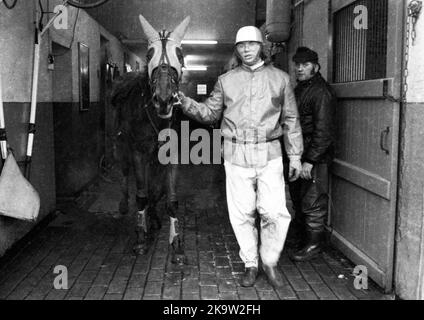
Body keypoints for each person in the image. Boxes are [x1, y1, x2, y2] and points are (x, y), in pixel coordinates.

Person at [177, 26, 303, 287]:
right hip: (235, 154)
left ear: (262, 48)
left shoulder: (280, 79)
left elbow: (291, 119)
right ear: (237, 49)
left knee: (275, 212)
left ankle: (269, 259)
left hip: (270, 153)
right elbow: (211, 113)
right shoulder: (226, 80)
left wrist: (296, 155)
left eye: (252, 44)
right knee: (242, 212)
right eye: (242, 45)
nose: (247, 49)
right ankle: (250, 263)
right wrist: (185, 102)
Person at [287, 47, 336, 262]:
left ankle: (314, 245)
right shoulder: (301, 89)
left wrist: (309, 161)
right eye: (297, 64)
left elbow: (324, 132)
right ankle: (304, 239)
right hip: (302, 155)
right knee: (300, 199)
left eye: (305, 64)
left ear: (315, 67)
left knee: (313, 202)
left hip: (313, 158)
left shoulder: (320, 92)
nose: (299, 68)